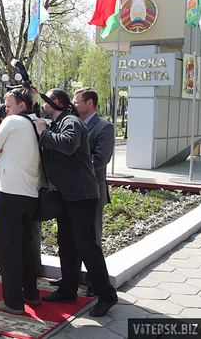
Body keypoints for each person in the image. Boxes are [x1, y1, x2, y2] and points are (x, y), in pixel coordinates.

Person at [33, 88, 117, 317]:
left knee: (87, 246)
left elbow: (68, 145)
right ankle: (68, 289)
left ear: (56, 103)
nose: (42, 107)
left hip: (81, 195)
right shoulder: (58, 123)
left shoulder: (71, 121)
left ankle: (107, 294)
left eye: (45, 103)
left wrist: (43, 133)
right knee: (67, 245)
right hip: (67, 195)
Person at [0, 88, 41, 315]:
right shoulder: (37, 122)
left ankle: (13, 302)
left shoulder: (12, 121)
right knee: (26, 247)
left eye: (9, 105)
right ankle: (31, 293)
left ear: (22, 105)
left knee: (7, 248)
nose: (5, 109)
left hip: (9, 194)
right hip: (31, 194)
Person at [70, 87, 115, 296]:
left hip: (93, 192)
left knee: (92, 240)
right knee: (73, 238)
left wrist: (73, 165)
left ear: (89, 103)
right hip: (73, 193)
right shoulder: (73, 124)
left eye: (77, 101)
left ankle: (93, 283)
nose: (74, 104)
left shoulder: (104, 127)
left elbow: (101, 159)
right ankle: (70, 277)